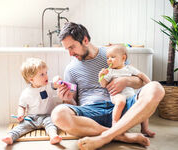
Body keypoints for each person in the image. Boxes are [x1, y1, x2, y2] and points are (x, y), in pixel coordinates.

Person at [50, 22, 165, 150]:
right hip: (92, 113)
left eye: (72, 47)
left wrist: (126, 81)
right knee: (58, 114)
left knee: (156, 87)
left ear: (85, 40)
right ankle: (122, 136)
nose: (70, 54)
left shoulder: (112, 54)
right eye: (67, 49)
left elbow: (139, 82)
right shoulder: (71, 69)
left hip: (122, 107)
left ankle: (104, 137)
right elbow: (75, 104)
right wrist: (67, 98)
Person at [2, 58, 62, 145]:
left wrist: (57, 79)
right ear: (31, 79)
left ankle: (53, 136)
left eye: (46, 73)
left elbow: (56, 84)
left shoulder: (48, 85)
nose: (46, 76)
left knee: (51, 124)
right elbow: (21, 106)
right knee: (21, 126)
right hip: (31, 118)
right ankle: (10, 136)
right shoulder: (26, 93)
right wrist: (20, 114)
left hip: (47, 116)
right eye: (42, 74)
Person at [99, 44, 155, 137]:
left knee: (143, 105)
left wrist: (150, 84)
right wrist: (101, 76)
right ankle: (115, 123)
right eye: (107, 57)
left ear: (123, 58)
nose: (109, 60)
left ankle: (145, 129)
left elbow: (141, 75)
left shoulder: (129, 68)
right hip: (116, 95)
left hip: (130, 95)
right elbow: (103, 84)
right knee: (121, 101)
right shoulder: (110, 71)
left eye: (112, 57)